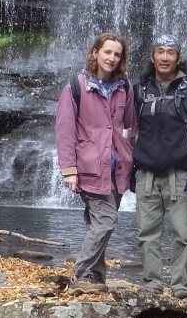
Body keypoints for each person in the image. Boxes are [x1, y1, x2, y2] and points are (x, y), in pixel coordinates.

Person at [55, 33, 136, 294]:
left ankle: (96, 276)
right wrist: (69, 170)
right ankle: (81, 273)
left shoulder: (125, 87)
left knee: (97, 222)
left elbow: (131, 126)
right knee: (106, 221)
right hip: (89, 167)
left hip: (117, 169)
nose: (112, 58)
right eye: (107, 52)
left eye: (117, 54)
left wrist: (129, 153)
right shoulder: (76, 86)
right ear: (95, 53)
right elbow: (65, 131)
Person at [132, 34, 187, 299]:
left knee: (181, 233)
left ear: (179, 58)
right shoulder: (138, 91)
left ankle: (180, 286)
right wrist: (130, 167)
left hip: (181, 175)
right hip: (146, 175)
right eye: (160, 52)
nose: (165, 57)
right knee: (147, 233)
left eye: (170, 52)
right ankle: (152, 283)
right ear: (152, 56)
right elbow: (126, 130)